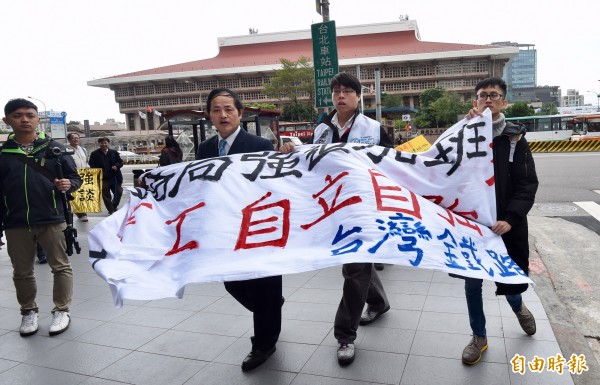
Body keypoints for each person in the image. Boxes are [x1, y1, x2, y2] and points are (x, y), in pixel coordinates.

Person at [280, 72, 391, 366]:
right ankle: (378, 302)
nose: (340, 96)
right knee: (358, 263)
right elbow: (311, 164)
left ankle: (345, 335)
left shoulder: (374, 129)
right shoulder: (321, 130)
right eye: (336, 91)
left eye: (347, 91)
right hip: (334, 207)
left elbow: (392, 167)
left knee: (354, 269)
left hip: (364, 208)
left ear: (358, 96)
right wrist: (291, 152)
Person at [196, 88, 282, 371]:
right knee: (233, 282)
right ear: (209, 115)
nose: (223, 115)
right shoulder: (205, 149)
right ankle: (270, 308)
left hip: (259, 227)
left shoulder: (260, 145)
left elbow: (276, 185)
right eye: (217, 110)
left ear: (240, 113)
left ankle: (263, 343)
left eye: (229, 109)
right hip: (226, 230)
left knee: (263, 283)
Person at [458, 77, 539, 365]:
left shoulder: (515, 138)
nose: (488, 99)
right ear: (476, 102)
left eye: (494, 95)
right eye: (483, 95)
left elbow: (527, 184)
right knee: (471, 283)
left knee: (507, 279)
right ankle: (478, 336)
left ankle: (519, 307)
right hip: (472, 226)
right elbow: (447, 174)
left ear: (503, 102)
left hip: (505, 226)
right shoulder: (464, 136)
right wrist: (465, 130)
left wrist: (511, 218)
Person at [0, 98, 82, 337]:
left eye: (29, 114)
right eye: (17, 115)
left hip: (52, 217)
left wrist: (70, 184)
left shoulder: (54, 149)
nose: (24, 119)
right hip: (16, 222)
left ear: (37, 118)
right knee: (22, 271)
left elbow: (74, 178)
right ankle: (28, 312)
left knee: (60, 266)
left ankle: (62, 310)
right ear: (7, 121)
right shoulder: (4, 154)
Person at [88, 137, 123, 215]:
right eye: (102, 143)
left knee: (119, 192)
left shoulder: (114, 152)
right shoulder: (94, 154)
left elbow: (120, 162)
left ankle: (114, 205)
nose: (104, 144)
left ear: (108, 143)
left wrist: (116, 166)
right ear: (99, 144)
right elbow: (91, 165)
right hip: (102, 178)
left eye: (105, 143)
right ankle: (111, 210)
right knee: (106, 196)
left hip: (114, 177)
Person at [67, 132, 89, 221]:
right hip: (72, 176)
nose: (76, 139)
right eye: (73, 138)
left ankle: (82, 212)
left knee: (82, 194)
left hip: (83, 174)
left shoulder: (83, 149)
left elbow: (86, 161)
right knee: (74, 194)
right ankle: (81, 214)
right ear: (69, 140)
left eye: (77, 138)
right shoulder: (66, 150)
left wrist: (88, 167)